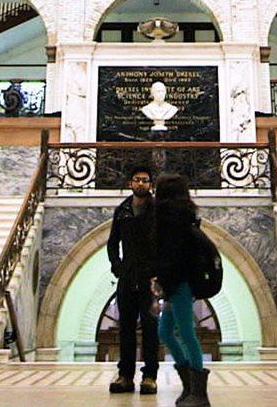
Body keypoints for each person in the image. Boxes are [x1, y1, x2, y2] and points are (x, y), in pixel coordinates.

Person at [153, 172, 212, 407]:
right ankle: (189, 386)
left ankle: (199, 393)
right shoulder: (177, 218)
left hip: (180, 283)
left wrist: (165, 282)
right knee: (165, 332)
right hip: (174, 283)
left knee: (187, 333)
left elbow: (174, 257)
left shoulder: (174, 220)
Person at [106, 166, 158, 395]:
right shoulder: (122, 210)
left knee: (150, 328)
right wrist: (117, 268)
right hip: (127, 277)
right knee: (125, 327)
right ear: (130, 183)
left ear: (151, 184)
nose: (141, 184)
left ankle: (149, 376)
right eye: (137, 180)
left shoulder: (157, 210)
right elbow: (112, 242)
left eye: (145, 180)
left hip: (150, 278)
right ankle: (125, 375)